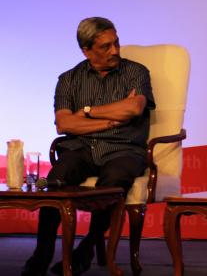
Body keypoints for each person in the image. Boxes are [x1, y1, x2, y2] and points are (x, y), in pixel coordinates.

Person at [22, 17, 155, 276]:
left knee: (114, 182)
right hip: (81, 148)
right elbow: (64, 124)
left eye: (116, 43)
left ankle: (86, 249)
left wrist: (86, 112)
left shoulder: (136, 72)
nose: (115, 50)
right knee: (56, 180)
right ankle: (42, 254)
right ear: (86, 50)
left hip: (125, 149)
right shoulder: (68, 79)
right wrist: (111, 120)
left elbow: (134, 107)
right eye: (106, 46)